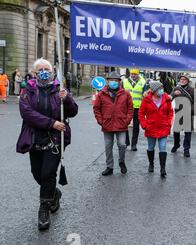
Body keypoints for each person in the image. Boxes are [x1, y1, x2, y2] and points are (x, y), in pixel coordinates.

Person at [16, 58, 78, 231]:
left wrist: (67, 100)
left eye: (47, 69)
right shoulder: (27, 91)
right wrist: (51, 122)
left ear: (52, 72)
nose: (44, 72)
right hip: (35, 138)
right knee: (37, 174)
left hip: (55, 139)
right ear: (35, 73)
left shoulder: (60, 89)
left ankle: (44, 210)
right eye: (40, 69)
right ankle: (53, 193)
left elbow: (72, 112)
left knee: (48, 173)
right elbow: (27, 113)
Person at [93, 71, 133, 176]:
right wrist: (100, 121)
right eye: (111, 80)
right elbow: (96, 108)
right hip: (107, 124)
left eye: (116, 80)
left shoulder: (126, 93)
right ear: (107, 81)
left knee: (122, 144)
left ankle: (121, 161)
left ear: (119, 82)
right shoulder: (101, 94)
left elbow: (130, 109)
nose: (114, 82)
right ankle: (109, 167)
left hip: (121, 124)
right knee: (108, 146)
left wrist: (127, 121)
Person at [139, 81, 173, 178]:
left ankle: (163, 168)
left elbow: (170, 112)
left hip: (163, 127)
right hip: (151, 127)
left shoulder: (166, 99)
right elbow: (141, 113)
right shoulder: (147, 99)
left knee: (163, 147)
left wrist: (169, 123)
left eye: (162, 88)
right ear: (154, 90)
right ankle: (151, 164)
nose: (162, 90)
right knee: (151, 147)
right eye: (159, 89)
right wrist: (144, 125)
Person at [171, 73, 196, 157]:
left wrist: (192, 111)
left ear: (187, 81)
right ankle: (176, 145)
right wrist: (173, 94)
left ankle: (186, 149)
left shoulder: (191, 90)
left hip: (188, 113)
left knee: (187, 132)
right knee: (176, 131)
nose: (182, 81)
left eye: (184, 80)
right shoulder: (176, 88)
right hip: (179, 112)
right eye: (181, 79)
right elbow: (170, 97)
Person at [123, 68, 147, 151]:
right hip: (126, 107)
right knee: (124, 125)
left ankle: (134, 144)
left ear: (138, 74)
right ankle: (126, 142)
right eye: (132, 74)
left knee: (136, 127)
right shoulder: (124, 81)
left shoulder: (143, 82)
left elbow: (145, 95)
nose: (133, 75)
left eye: (135, 74)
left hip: (138, 107)